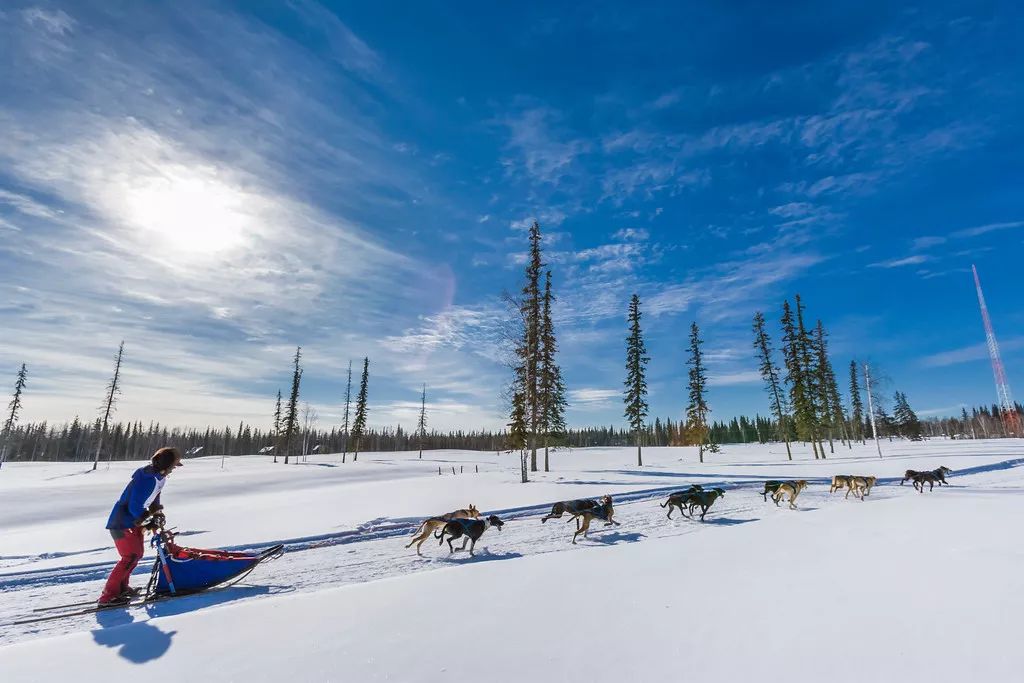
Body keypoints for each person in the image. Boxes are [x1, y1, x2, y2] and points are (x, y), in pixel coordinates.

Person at [98, 446, 183, 605]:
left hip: (133, 522)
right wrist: (149, 521)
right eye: (172, 466)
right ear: (166, 465)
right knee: (129, 557)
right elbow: (134, 507)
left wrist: (156, 514)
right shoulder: (147, 479)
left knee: (136, 555)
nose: (173, 470)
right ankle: (108, 596)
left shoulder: (159, 478)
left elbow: (154, 497)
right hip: (122, 523)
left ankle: (122, 588)